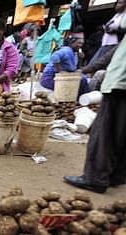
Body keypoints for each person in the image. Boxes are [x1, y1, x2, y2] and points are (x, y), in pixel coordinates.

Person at [63, 16, 126, 194]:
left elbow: (120, 28)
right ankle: (116, 176)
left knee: (104, 133)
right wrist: (84, 70)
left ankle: (95, 178)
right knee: (121, 133)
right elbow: (112, 54)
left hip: (120, 84)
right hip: (121, 84)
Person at [87, 0, 126, 66]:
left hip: (114, 42)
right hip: (107, 41)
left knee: (97, 62)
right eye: (117, 3)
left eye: (120, 3)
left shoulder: (124, 16)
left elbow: (123, 30)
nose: (117, 5)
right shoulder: (117, 15)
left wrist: (114, 31)